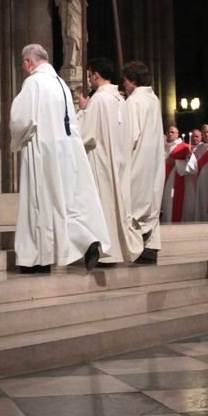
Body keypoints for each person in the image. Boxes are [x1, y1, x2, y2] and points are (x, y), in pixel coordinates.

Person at [10, 44, 109, 272]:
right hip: (65, 151)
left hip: (42, 150)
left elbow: (22, 120)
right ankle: (85, 240)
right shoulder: (60, 84)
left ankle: (36, 260)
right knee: (61, 204)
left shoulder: (34, 83)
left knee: (39, 204)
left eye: (24, 64)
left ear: (29, 62)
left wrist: (15, 138)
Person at [78, 58, 143, 264]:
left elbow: (86, 133)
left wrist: (81, 110)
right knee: (115, 207)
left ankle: (103, 253)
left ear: (96, 74)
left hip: (101, 161)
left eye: (90, 75)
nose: (89, 80)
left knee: (102, 206)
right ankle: (114, 251)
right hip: (118, 161)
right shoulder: (120, 99)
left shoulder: (98, 100)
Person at [121, 60, 164, 264]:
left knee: (134, 202)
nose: (124, 85)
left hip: (137, 159)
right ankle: (150, 248)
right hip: (153, 159)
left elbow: (130, 135)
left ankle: (137, 246)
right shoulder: (153, 98)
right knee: (151, 202)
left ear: (132, 80)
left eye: (125, 81)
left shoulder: (134, 102)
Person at [162, 125, 196, 223]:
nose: (170, 134)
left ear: (178, 134)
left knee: (174, 204)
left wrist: (176, 162)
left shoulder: (184, 147)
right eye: (168, 132)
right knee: (167, 205)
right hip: (164, 181)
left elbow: (193, 167)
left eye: (173, 132)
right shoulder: (162, 147)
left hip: (177, 182)